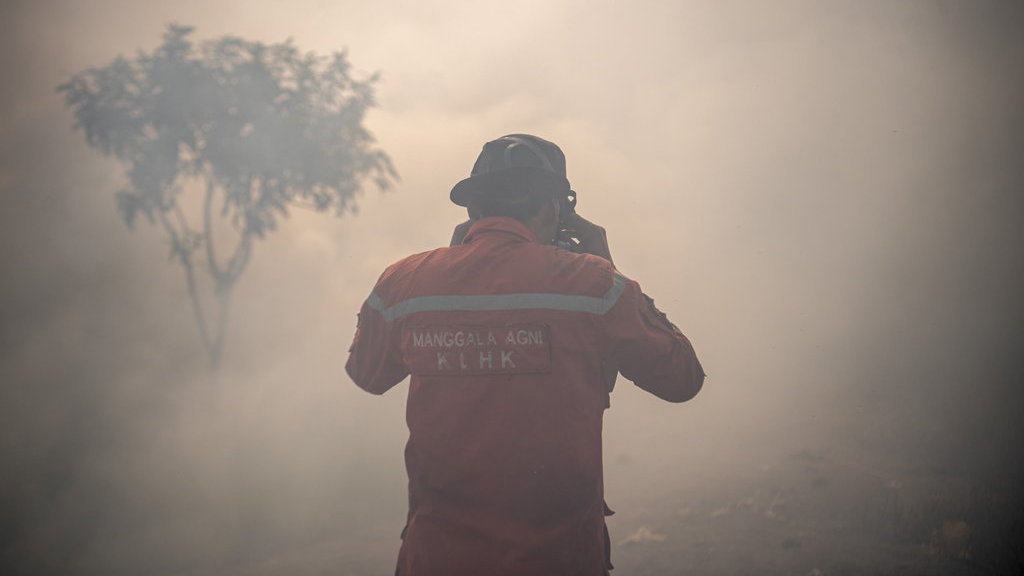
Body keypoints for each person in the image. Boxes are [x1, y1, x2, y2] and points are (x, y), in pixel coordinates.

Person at [346, 134, 705, 576]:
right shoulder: (594, 285)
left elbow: (366, 374)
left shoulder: (403, 282)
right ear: (557, 207)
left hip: (435, 559)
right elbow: (683, 379)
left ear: (472, 210)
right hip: (558, 559)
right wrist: (610, 265)